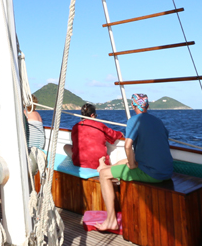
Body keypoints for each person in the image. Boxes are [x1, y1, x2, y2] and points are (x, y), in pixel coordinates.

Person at [95, 94, 174, 232]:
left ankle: (111, 221)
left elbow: (127, 146)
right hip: (167, 171)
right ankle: (108, 167)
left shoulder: (134, 120)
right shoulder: (158, 121)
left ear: (133, 106)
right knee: (125, 161)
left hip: (152, 174)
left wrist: (131, 165)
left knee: (103, 174)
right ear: (147, 106)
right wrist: (131, 162)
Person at [66, 103, 124, 169]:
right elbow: (113, 135)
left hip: (79, 162)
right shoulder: (100, 126)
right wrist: (121, 133)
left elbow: (74, 144)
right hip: (98, 163)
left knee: (66, 146)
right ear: (92, 115)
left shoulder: (75, 127)